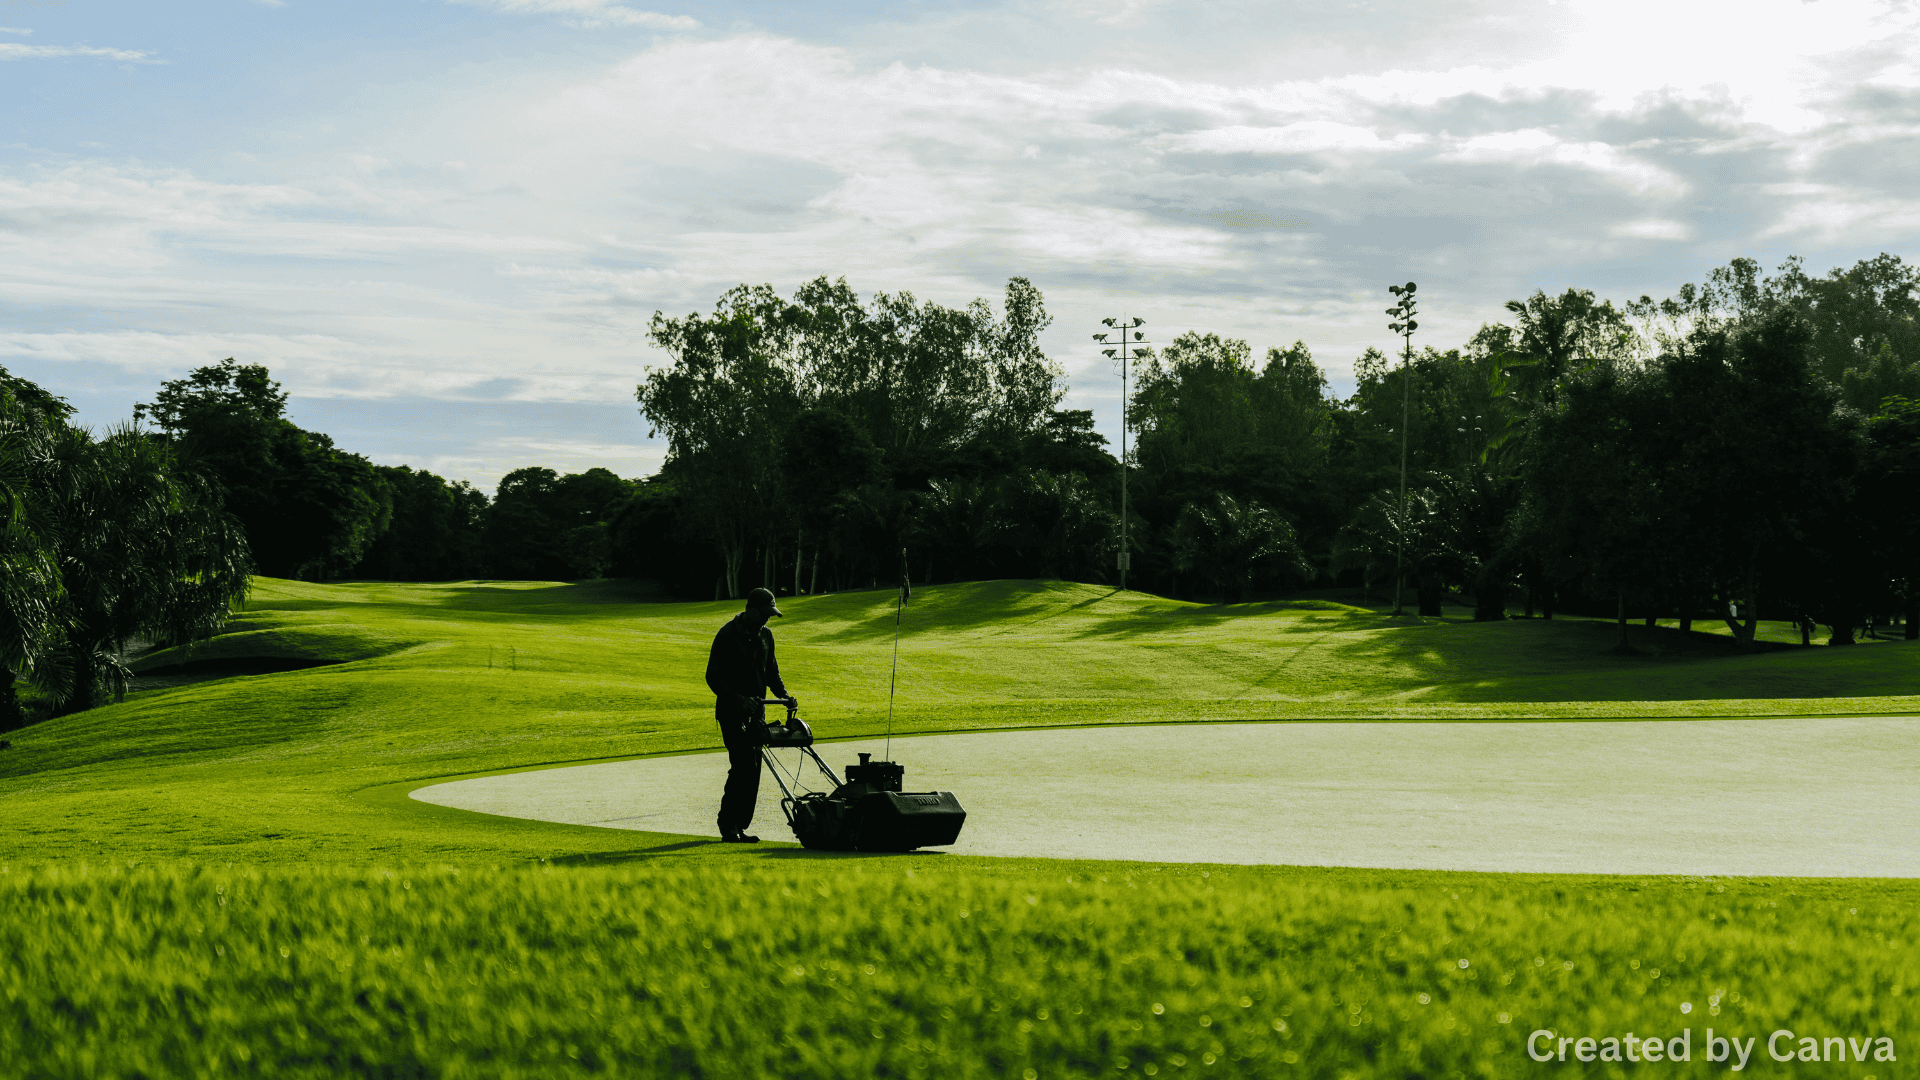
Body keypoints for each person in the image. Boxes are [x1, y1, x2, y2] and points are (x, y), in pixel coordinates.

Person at [704, 587, 794, 843]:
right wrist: (739, 700)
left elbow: (771, 672)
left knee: (753, 769)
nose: (767, 619)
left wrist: (784, 696)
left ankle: (740, 825)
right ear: (750, 609)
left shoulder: (766, 635)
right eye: (764, 614)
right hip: (732, 713)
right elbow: (713, 677)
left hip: (758, 714)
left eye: (770, 615)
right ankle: (728, 824)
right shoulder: (728, 635)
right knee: (742, 765)